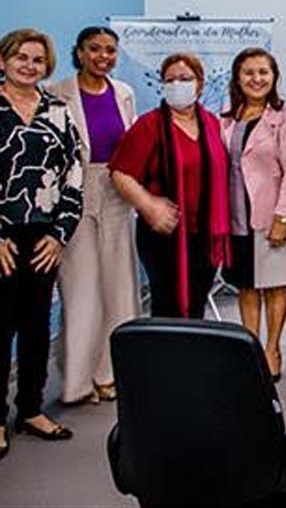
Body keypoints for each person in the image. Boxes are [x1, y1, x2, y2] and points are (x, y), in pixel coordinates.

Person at [47, 26, 139, 407]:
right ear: (79, 52)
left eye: (110, 50)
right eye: (95, 49)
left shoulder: (124, 93)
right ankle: (78, 381)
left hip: (116, 189)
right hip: (73, 193)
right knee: (82, 289)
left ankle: (110, 373)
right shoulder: (55, 93)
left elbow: (132, 146)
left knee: (119, 286)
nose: (103, 56)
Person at [0, 29, 82, 452]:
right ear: (3, 61)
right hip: (2, 237)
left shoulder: (57, 111)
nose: (29, 66)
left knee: (36, 327)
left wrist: (59, 234)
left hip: (44, 235)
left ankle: (30, 409)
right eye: (21, 57)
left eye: (37, 60)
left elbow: (74, 174)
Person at [111, 52, 231, 319]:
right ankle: (165, 360)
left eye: (185, 78)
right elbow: (120, 173)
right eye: (170, 80)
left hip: (204, 235)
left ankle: (191, 359)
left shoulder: (211, 123)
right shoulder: (149, 125)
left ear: (199, 83)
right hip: (163, 234)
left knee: (196, 303)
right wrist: (148, 205)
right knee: (168, 306)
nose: (178, 85)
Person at [221, 48, 286, 381]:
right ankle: (250, 347)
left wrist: (284, 216)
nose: (256, 79)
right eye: (248, 72)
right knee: (247, 286)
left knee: (274, 286)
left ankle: (272, 349)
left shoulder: (282, 117)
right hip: (234, 215)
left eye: (263, 72)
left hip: (270, 216)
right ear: (238, 78)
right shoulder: (226, 117)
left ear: (274, 77)